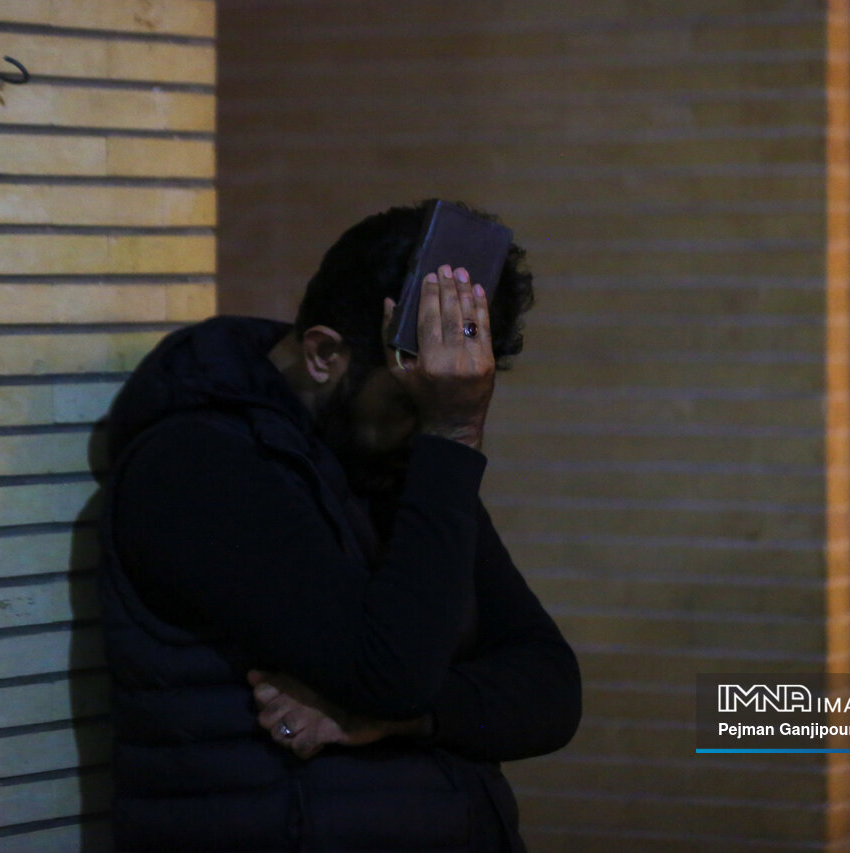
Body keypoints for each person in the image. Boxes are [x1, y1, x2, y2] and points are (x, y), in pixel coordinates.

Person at [98, 201, 582, 852]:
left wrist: (397, 720)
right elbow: (393, 672)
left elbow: (551, 688)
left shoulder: (390, 461)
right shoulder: (199, 465)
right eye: (413, 400)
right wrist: (453, 431)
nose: (425, 424)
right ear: (325, 354)